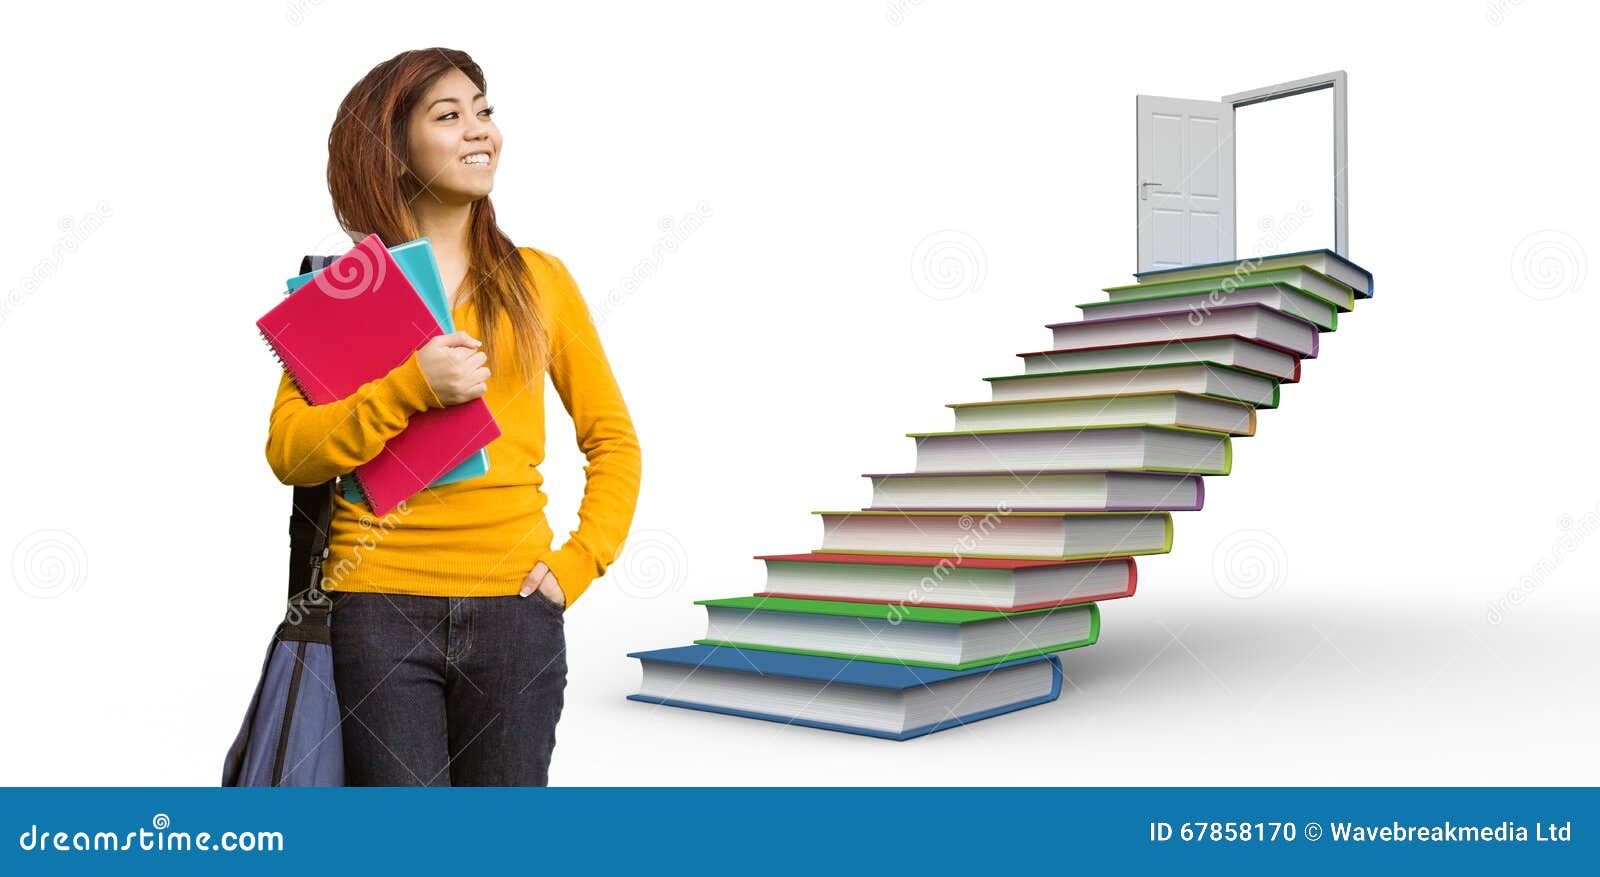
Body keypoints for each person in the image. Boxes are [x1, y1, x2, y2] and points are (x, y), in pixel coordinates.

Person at [264, 47, 642, 786]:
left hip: (515, 612)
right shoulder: (344, 290)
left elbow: (613, 440)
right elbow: (289, 452)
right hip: (376, 607)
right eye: (449, 115)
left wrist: (574, 566)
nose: (480, 130)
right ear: (395, 153)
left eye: (484, 110)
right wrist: (411, 385)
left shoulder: (539, 281)